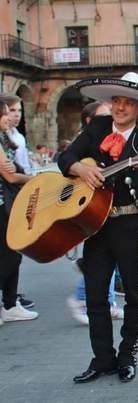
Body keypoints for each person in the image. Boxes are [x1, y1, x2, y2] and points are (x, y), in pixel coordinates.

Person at [58, 72, 138, 383]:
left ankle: (127, 356)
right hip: (94, 226)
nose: (121, 108)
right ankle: (102, 359)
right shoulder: (96, 127)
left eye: (129, 103)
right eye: (117, 101)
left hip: (130, 225)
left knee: (134, 296)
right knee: (96, 296)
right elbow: (66, 157)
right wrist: (81, 168)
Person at [66, 101, 124, 325]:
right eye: (104, 115)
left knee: (111, 256)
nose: (111, 118)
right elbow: (68, 165)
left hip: (110, 208)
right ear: (90, 121)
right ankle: (82, 298)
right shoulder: (87, 143)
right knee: (101, 256)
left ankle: (106, 301)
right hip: (91, 207)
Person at [0, 100, 39, 326]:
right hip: (3, 203)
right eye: (5, 114)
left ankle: (10, 304)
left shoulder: (7, 139)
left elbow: (14, 169)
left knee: (12, 252)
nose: (9, 118)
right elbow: (11, 176)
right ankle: (9, 304)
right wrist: (34, 179)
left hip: (8, 202)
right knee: (10, 253)